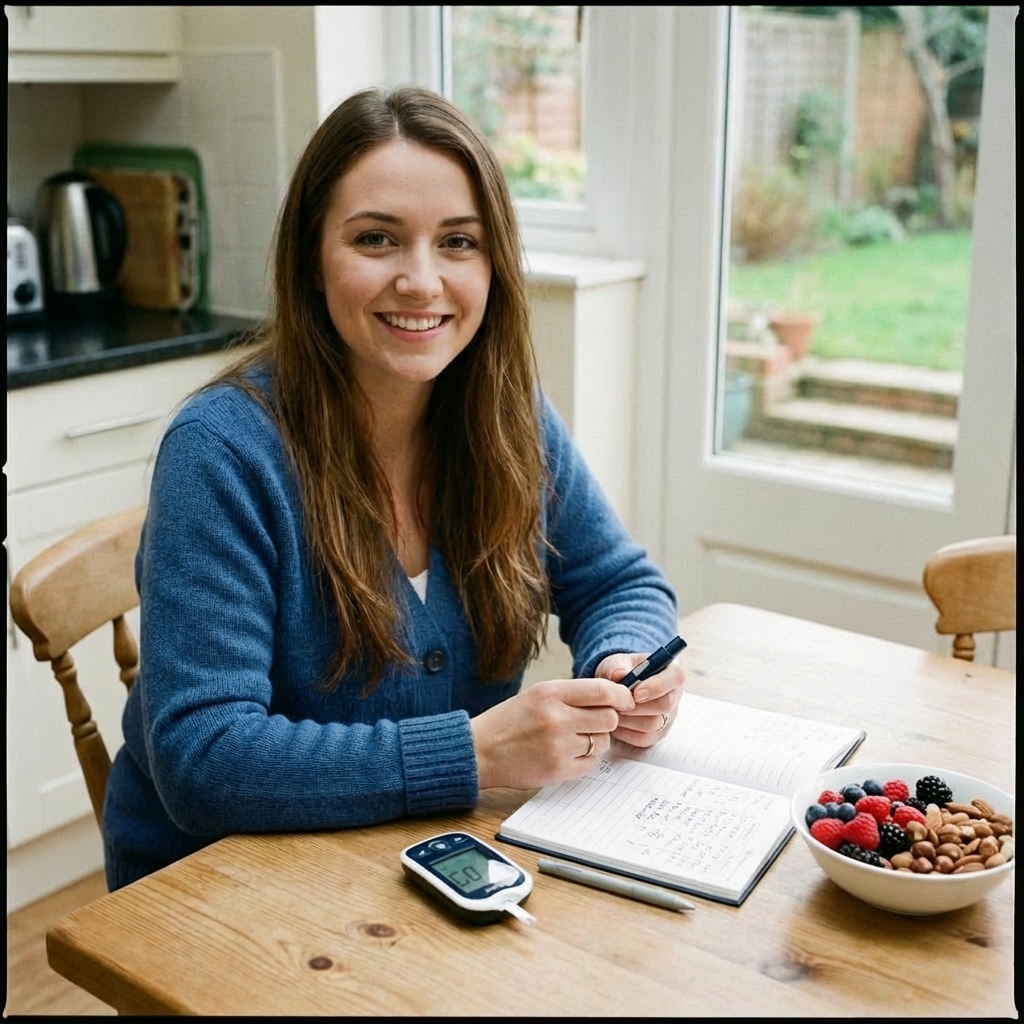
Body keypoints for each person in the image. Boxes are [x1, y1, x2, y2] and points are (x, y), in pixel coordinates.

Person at [102, 86, 684, 891]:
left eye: (458, 242)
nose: (420, 280)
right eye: (376, 239)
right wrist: (476, 753)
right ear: (312, 256)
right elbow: (204, 758)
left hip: (424, 861)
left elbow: (618, 579)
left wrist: (628, 659)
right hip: (219, 890)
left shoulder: (506, 414)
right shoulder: (222, 453)